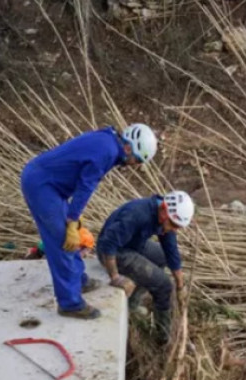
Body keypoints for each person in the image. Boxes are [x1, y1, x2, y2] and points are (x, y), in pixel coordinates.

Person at [20, 124, 158, 320]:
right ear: (128, 148)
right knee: (62, 241)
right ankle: (70, 303)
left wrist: (73, 218)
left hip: (47, 182)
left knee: (68, 237)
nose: (133, 164)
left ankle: (79, 281)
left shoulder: (108, 141)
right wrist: (72, 219)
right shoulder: (107, 153)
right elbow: (85, 187)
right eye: (136, 159)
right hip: (43, 185)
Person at [96, 191, 195, 344]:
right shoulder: (137, 214)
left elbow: (171, 252)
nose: (175, 229)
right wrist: (115, 277)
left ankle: (132, 304)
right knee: (163, 285)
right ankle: (163, 337)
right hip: (116, 252)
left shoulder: (165, 218)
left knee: (161, 258)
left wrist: (181, 286)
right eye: (174, 225)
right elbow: (108, 244)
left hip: (134, 244)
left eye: (178, 227)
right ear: (163, 209)